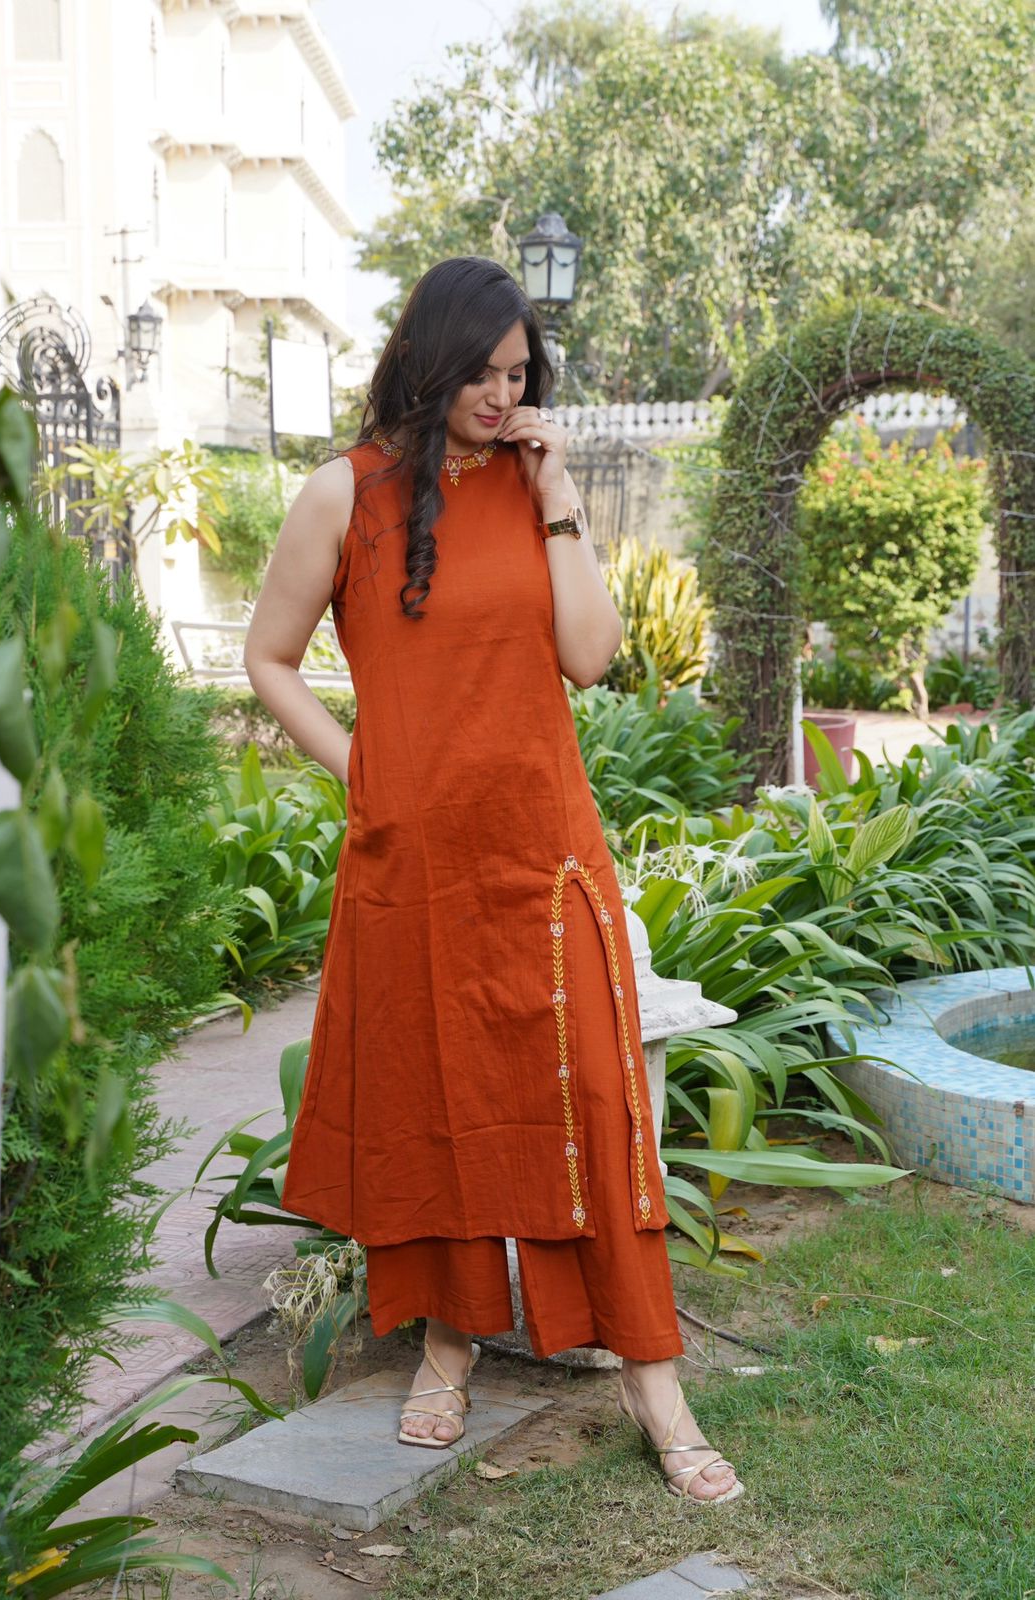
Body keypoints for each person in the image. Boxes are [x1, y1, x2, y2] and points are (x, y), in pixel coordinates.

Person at [243, 256, 743, 1505]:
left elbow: (591, 656)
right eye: (482, 371)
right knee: (442, 1101)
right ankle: (448, 1348)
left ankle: (654, 1382)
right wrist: (362, 772)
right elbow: (270, 657)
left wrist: (560, 492)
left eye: (519, 374)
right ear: (428, 359)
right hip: (413, 861)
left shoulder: (531, 485)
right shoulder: (344, 493)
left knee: (597, 1105)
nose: (502, 394)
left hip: (545, 846)